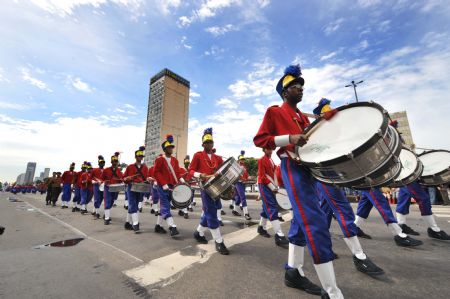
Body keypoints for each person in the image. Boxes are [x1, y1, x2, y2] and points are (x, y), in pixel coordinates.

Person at [254, 64, 340, 298]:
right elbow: (260, 139)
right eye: (295, 86)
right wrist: (289, 138)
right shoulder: (275, 112)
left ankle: (293, 271)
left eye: (301, 86)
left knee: (300, 222)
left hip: (310, 170)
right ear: (284, 92)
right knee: (315, 222)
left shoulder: (303, 117)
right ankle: (333, 291)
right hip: (293, 168)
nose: (300, 89)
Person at [312, 98, 384, 276]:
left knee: (324, 214)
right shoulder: (319, 134)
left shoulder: (334, 135)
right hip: (325, 175)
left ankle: (323, 249)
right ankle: (359, 256)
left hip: (332, 176)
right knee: (344, 211)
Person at [189, 128, 229, 255]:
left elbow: (224, 171)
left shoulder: (218, 158)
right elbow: (190, 171)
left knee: (210, 211)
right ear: (203, 144)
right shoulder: (198, 155)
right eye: (206, 143)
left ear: (213, 144)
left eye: (210, 142)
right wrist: (200, 175)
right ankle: (219, 240)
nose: (209, 144)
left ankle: (198, 232)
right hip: (205, 188)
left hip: (216, 188)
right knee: (211, 212)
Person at [355, 187, 423, 247]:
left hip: (367, 181)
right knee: (382, 204)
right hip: (369, 181)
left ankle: (355, 227)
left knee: (365, 204)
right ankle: (399, 235)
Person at [153, 135, 186, 236]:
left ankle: (158, 226)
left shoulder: (175, 160)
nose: (171, 148)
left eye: (172, 147)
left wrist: (181, 179)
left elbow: (176, 172)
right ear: (165, 149)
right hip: (162, 187)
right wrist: (163, 183)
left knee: (164, 206)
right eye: (169, 147)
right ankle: (172, 226)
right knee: (165, 205)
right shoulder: (159, 159)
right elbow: (156, 172)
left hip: (172, 186)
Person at [257, 147, 289, 248]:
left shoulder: (271, 160)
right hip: (265, 186)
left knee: (266, 208)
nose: (270, 151)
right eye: (268, 149)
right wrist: (272, 187)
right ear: (264, 149)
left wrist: (275, 187)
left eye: (271, 149)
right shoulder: (261, 160)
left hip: (269, 186)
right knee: (272, 208)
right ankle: (279, 235)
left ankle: (261, 228)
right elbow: (262, 176)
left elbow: (273, 174)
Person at [123, 146, 149, 233]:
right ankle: (135, 223)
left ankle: (127, 223)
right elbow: (124, 178)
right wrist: (126, 179)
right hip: (131, 187)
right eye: (139, 156)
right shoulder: (130, 167)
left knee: (135, 204)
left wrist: (149, 180)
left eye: (141, 156)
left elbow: (146, 179)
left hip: (140, 188)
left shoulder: (145, 168)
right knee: (133, 204)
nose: (140, 158)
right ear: (135, 157)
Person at [101, 152, 123, 225]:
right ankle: (107, 219)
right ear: (111, 162)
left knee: (111, 202)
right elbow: (102, 179)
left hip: (115, 188)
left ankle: (106, 214)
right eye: (113, 161)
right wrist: (104, 181)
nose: (115, 162)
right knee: (107, 202)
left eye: (116, 161)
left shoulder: (119, 171)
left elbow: (121, 179)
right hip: (107, 188)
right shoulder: (106, 170)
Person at [232, 151, 252, 220]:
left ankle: (234, 210)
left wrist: (249, 177)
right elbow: (236, 176)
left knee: (239, 198)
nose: (242, 160)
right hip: (238, 183)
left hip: (243, 183)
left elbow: (246, 175)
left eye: (243, 159)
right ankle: (246, 214)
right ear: (238, 160)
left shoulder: (244, 167)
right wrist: (243, 179)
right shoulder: (236, 167)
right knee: (243, 197)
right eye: (241, 159)